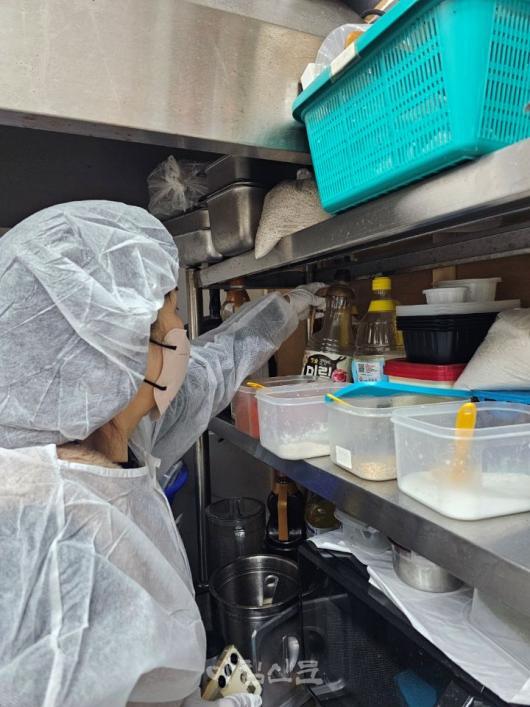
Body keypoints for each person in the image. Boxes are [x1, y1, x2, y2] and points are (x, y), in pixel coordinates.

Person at [0, 201, 325, 707]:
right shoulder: (57, 543)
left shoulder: (109, 435)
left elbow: (206, 374)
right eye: (171, 310)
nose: (182, 330)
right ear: (120, 342)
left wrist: (285, 308)